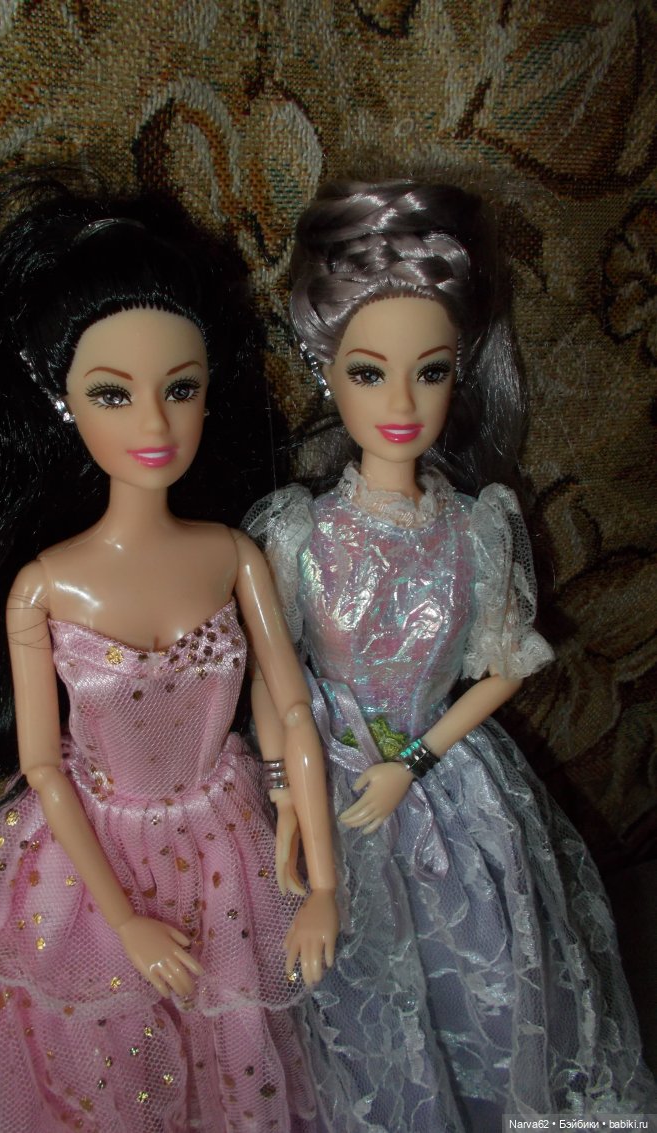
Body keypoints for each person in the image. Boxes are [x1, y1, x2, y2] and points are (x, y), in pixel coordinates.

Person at [0, 172, 338, 1133]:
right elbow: (43, 769)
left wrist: (316, 868)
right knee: (106, 1066)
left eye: (180, 389)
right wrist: (126, 918)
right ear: (63, 404)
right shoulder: (44, 586)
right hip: (91, 858)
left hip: (226, 843)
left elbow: (290, 708)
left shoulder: (233, 556)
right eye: (114, 393)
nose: (154, 425)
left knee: (233, 1050)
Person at [245, 178, 657, 1131]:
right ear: (326, 371)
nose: (401, 402)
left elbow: (506, 665)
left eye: (428, 373)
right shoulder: (299, 532)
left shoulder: (477, 531)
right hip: (323, 779)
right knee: (353, 1000)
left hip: (448, 784)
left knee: (480, 973)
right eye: (369, 373)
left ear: (459, 373)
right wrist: (281, 794)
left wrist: (416, 760)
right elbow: (275, 678)